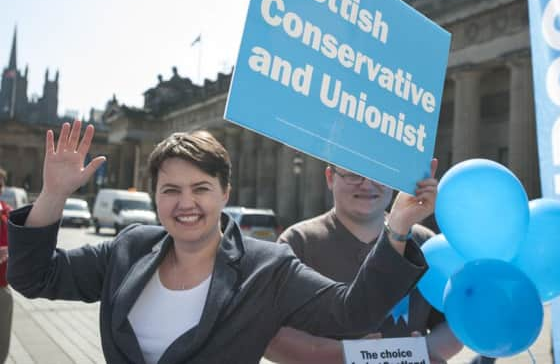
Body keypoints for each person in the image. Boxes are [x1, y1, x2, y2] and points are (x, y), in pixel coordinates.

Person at [7, 120, 437, 364]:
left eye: (201, 188)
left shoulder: (267, 268)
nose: (186, 204)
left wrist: (396, 227)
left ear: (225, 192)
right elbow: (34, 277)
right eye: (170, 190)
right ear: (154, 195)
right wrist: (54, 194)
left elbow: (352, 312)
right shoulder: (129, 248)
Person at [265, 164, 463, 364]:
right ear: (330, 177)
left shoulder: (425, 243)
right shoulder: (298, 243)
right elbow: (269, 334)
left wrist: (419, 352)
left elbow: (454, 324)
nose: (367, 185)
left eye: (380, 174)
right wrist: (346, 354)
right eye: (353, 174)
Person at [0, 167, 13, 363]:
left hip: (3, 286)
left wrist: (10, 250)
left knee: (2, 341)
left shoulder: (7, 211)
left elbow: (18, 243)